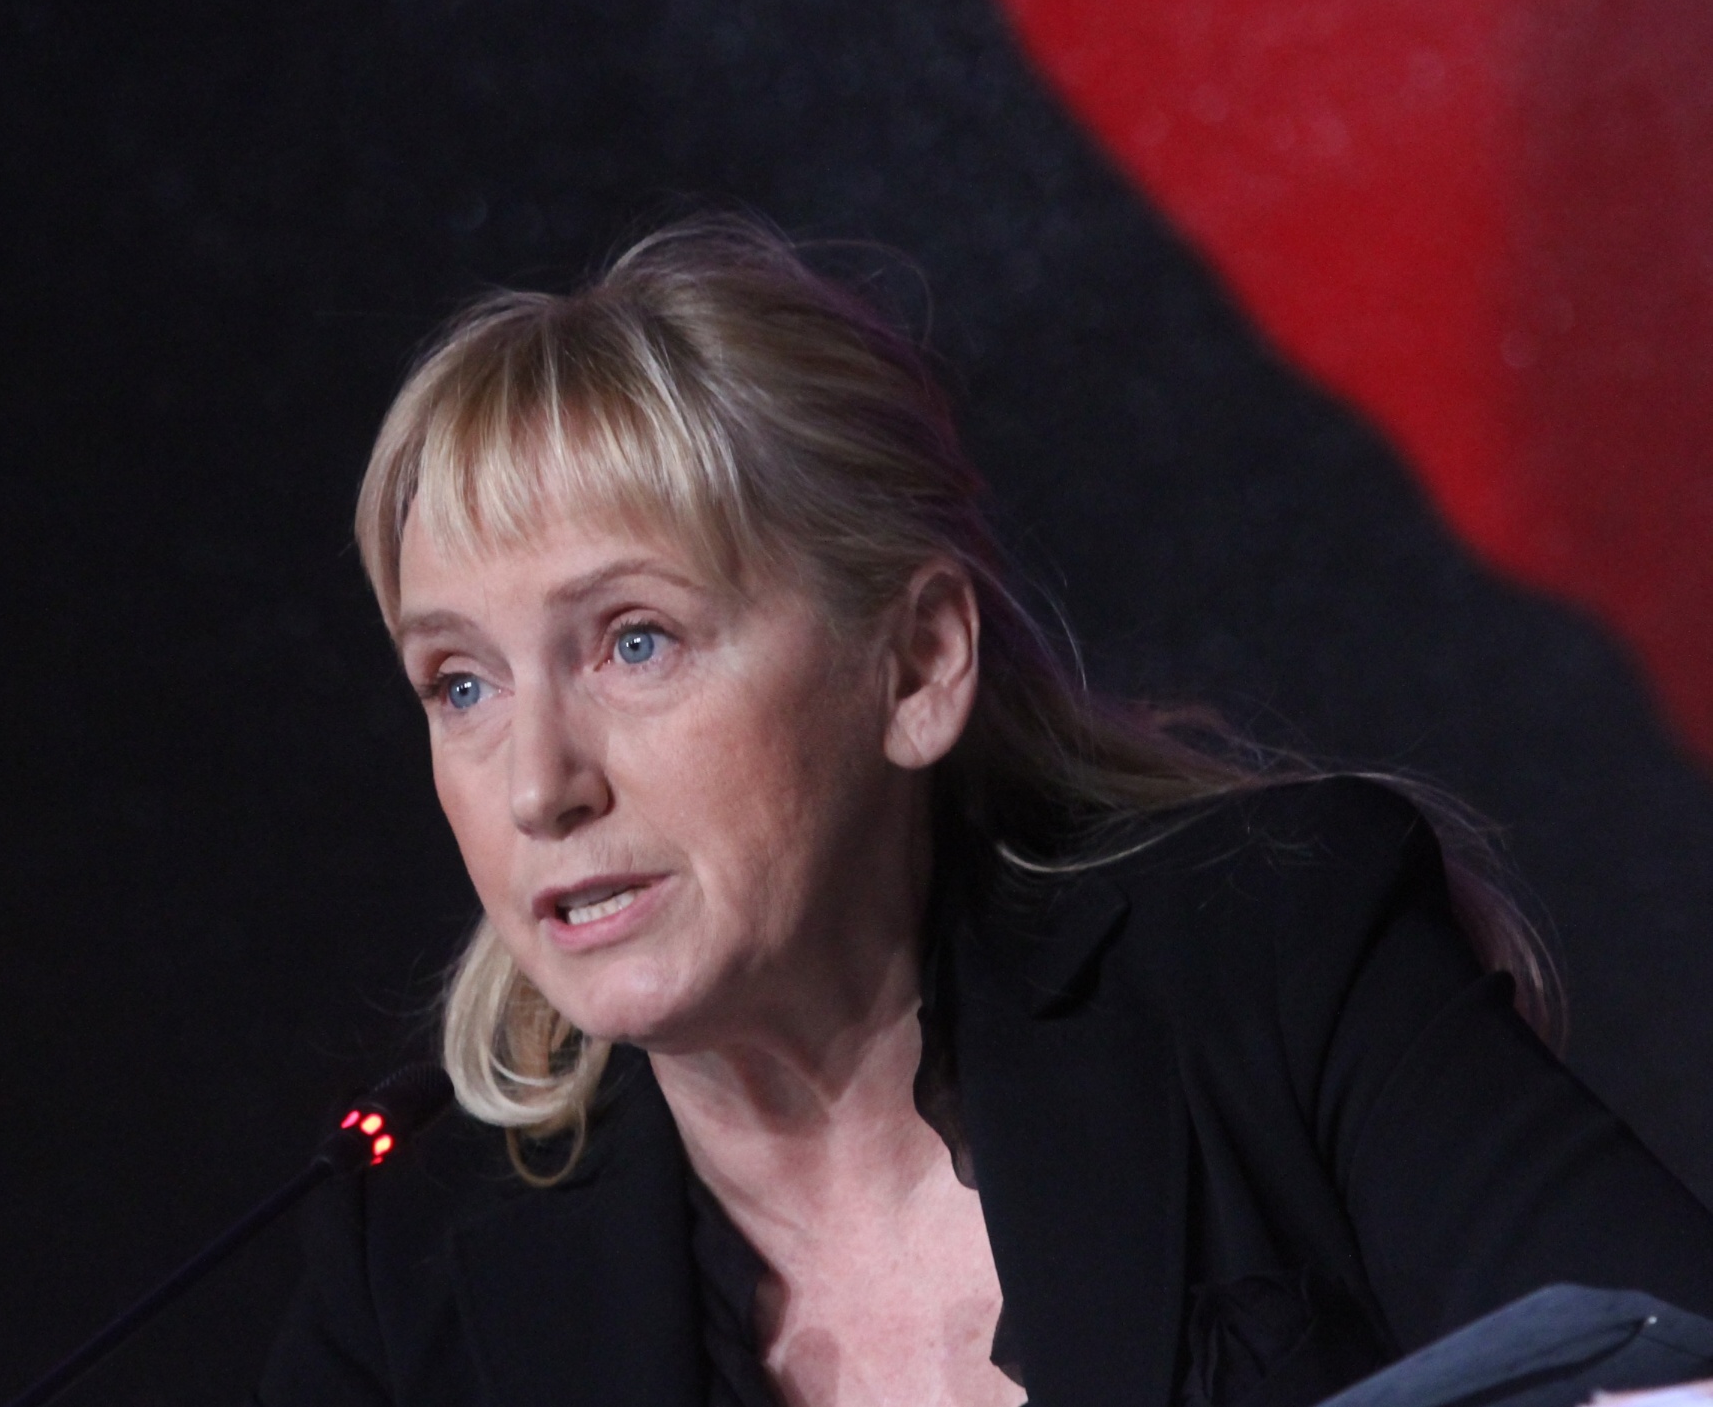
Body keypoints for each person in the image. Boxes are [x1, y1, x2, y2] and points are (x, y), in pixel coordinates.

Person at [255, 218, 1713, 1407]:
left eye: (636, 641)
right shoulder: (412, 1269)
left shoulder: (1274, 961)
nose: (537, 784)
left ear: (916, 665)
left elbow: (1670, 1368)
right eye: (459, 683)